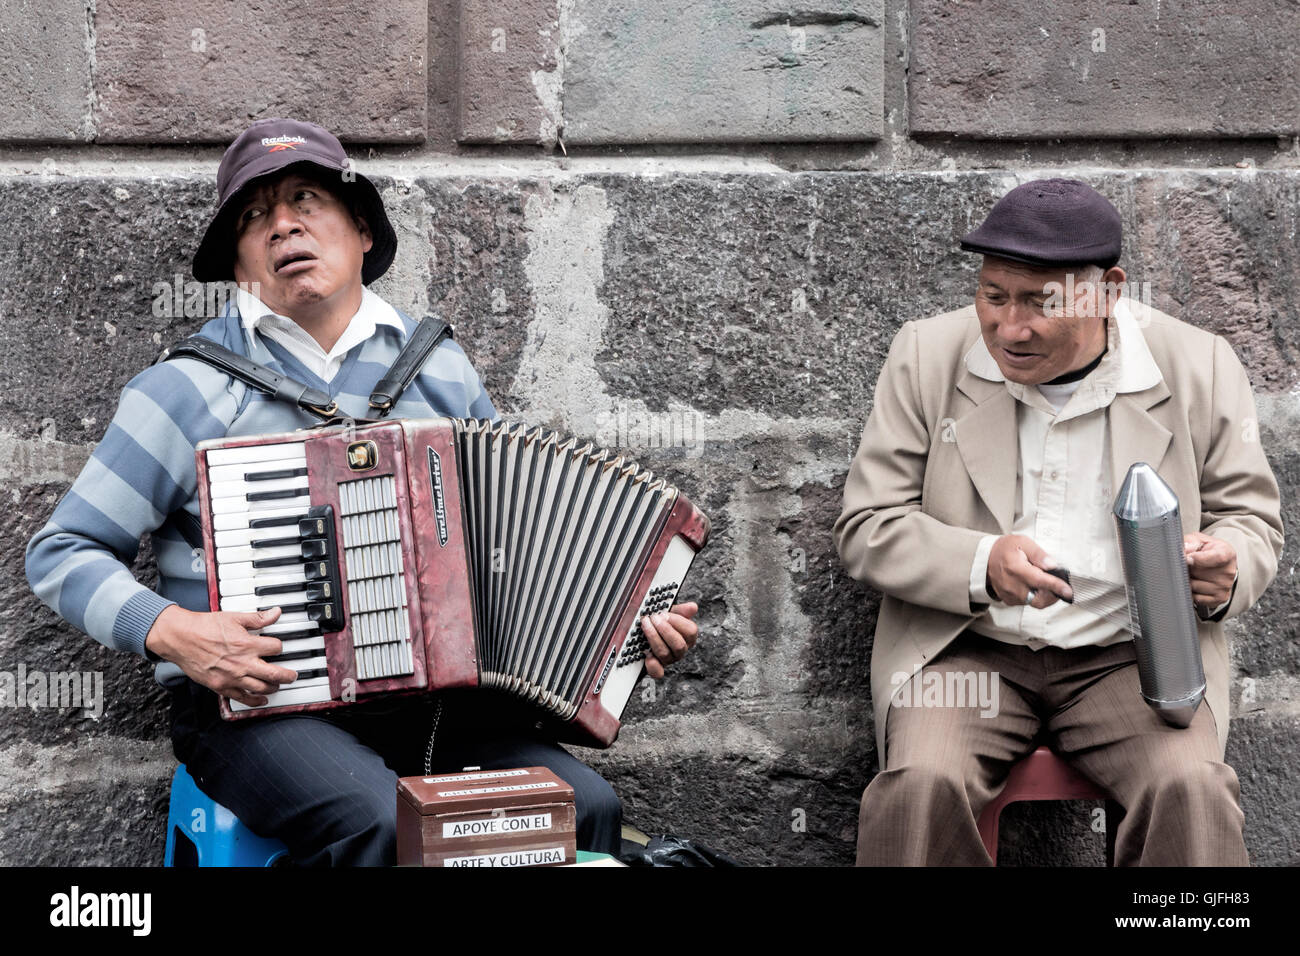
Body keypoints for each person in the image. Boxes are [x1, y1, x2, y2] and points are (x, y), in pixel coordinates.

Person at [25, 117, 700, 865]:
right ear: (240, 260)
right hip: (256, 710)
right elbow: (62, 552)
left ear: (362, 233)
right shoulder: (184, 389)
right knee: (381, 824)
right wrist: (172, 632)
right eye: (254, 216)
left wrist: (617, 632)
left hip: (438, 708)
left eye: (306, 199)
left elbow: (509, 543)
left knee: (585, 807)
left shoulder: (437, 367)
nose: (283, 225)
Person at [833, 178, 1283, 866]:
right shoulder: (926, 355)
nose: (1009, 329)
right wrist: (982, 563)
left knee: (1191, 792)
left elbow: (1250, 519)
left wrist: (1225, 568)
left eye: (1040, 303)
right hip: (968, 650)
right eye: (992, 296)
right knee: (917, 789)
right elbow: (867, 526)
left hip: (1133, 658)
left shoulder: (1198, 365)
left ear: (1106, 292)